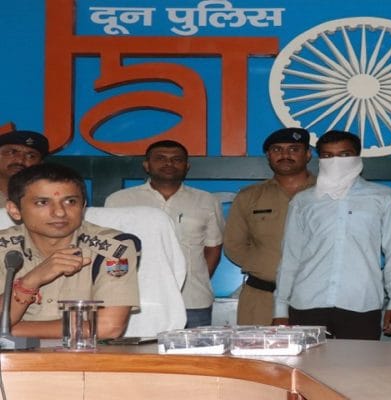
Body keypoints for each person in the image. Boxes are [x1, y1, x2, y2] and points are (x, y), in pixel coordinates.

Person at [272, 130, 391, 340]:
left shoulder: (382, 196)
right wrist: (280, 309)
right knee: (307, 362)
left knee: (358, 363)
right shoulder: (303, 201)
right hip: (307, 303)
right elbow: (290, 257)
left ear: (357, 156)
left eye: (344, 155)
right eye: (328, 156)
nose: (336, 162)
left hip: (361, 302)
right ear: (319, 159)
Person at [0, 163, 139, 338]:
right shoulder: (3, 247)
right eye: (42, 202)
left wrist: (8, 330)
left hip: (82, 353)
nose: (59, 212)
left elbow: (109, 327)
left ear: (83, 206)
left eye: (70, 201)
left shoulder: (113, 247)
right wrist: (31, 281)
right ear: (14, 210)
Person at [105, 140, 224, 328]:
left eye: (177, 159)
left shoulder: (206, 200)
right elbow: (109, 250)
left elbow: (213, 247)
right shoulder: (119, 200)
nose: (169, 163)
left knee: (195, 349)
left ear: (187, 166)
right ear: (147, 165)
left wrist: (194, 277)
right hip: (137, 301)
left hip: (191, 299)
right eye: (160, 158)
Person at [224, 128, 315, 325]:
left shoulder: (327, 195)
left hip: (316, 298)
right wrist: (265, 265)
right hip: (262, 297)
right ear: (268, 156)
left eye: (294, 149)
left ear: (308, 154)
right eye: (277, 150)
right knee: (256, 346)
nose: (285, 155)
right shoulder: (249, 196)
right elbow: (234, 245)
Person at [0, 129, 49, 205]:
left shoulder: (48, 196)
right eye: (11, 152)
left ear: (40, 164)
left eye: (31, 156)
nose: (20, 160)